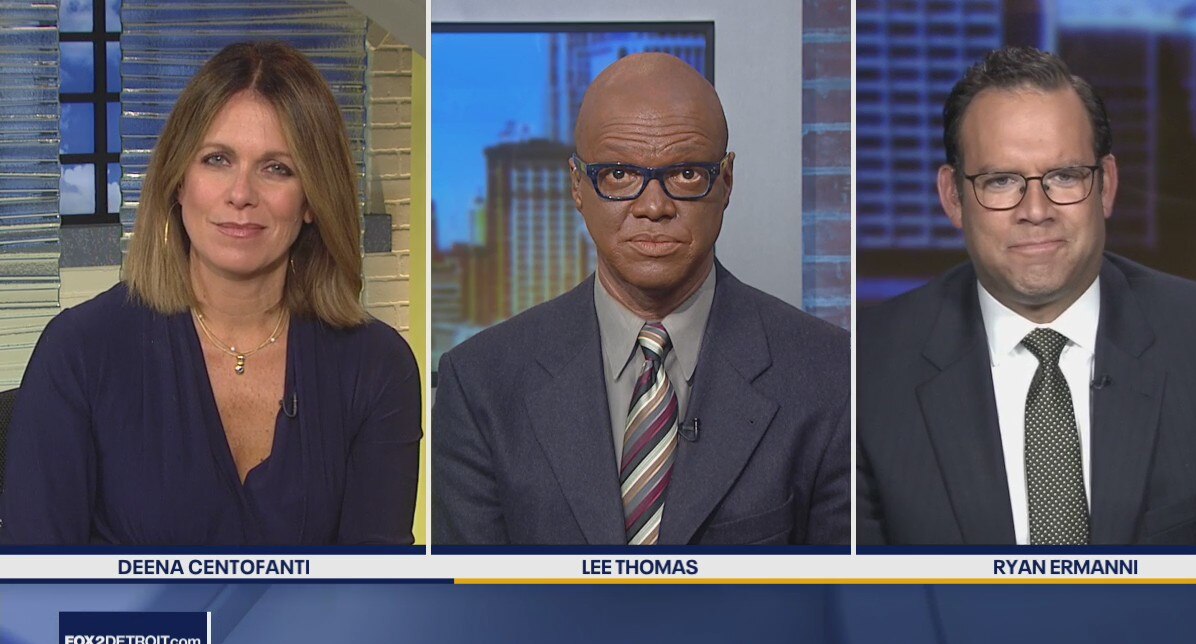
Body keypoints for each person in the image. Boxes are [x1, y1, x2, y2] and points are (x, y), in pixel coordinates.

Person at [0, 42, 422, 545]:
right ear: (178, 182)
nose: (241, 194)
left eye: (277, 168)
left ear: (312, 199)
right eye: (217, 159)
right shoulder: (81, 351)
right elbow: (40, 584)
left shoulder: (376, 367)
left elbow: (373, 586)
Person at [857, 46, 1196, 545]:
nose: (1036, 211)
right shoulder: (866, 369)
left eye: (1064, 177)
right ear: (953, 197)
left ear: (1106, 186)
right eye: (1000, 181)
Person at [433, 53, 850, 545]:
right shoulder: (481, 383)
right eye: (619, 175)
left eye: (687, 174)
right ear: (577, 186)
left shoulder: (831, 374)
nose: (654, 206)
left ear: (726, 182)